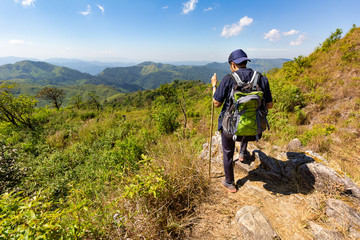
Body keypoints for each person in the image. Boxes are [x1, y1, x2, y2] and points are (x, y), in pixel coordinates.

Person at [211, 49, 273, 193]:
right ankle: (243, 153)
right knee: (246, 120)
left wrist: (214, 85)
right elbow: (269, 105)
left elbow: (216, 103)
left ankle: (230, 182)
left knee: (227, 151)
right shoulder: (261, 79)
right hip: (254, 129)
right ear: (245, 62)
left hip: (230, 130)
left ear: (233, 64)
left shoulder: (228, 79)